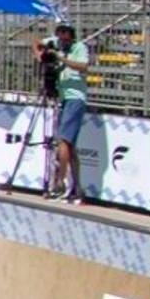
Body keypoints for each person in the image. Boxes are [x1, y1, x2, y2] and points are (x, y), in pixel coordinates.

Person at [46, 44, 91, 199]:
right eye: (59, 33)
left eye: (64, 33)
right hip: (64, 98)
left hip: (75, 98)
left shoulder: (79, 48)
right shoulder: (56, 44)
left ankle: (61, 182)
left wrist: (60, 58)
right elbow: (35, 43)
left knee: (63, 142)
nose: (61, 37)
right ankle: (76, 187)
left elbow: (83, 66)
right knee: (69, 146)